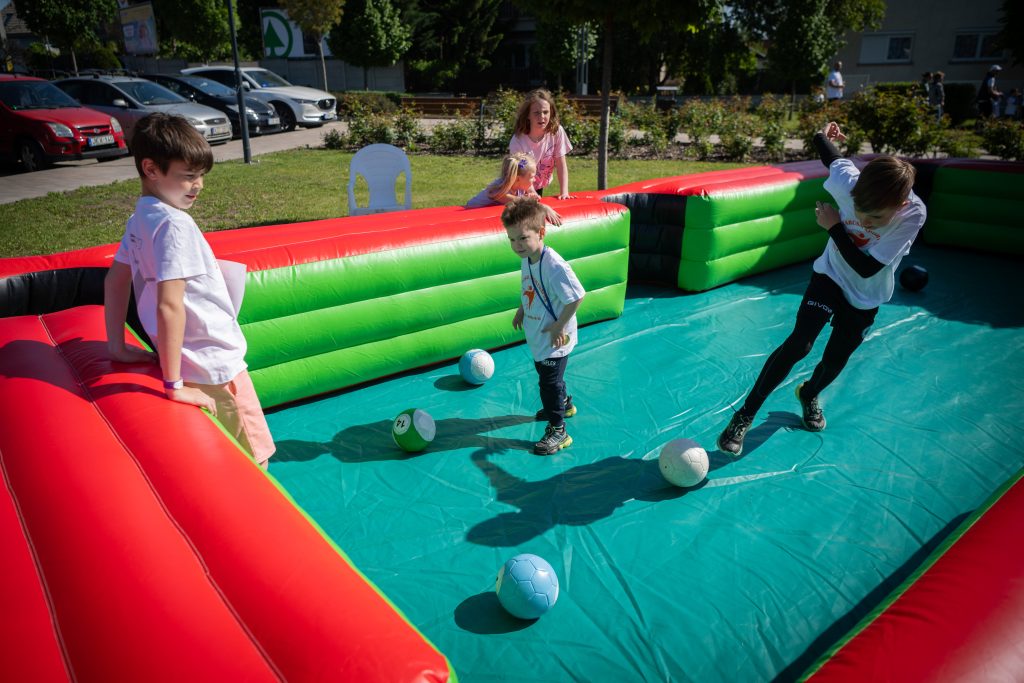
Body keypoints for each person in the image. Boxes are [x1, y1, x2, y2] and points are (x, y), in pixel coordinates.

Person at [717, 120, 926, 456]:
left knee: (835, 358)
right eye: (859, 211)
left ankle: (809, 393)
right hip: (830, 274)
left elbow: (868, 266)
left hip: (865, 292)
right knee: (800, 343)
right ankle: (745, 415)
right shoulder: (850, 181)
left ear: (900, 207)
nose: (865, 221)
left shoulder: (913, 215)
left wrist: (834, 228)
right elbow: (832, 158)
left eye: (875, 219)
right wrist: (821, 135)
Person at [104, 113, 275, 468]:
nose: (198, 186)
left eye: (200, 176)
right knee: (254, 460)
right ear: (151, 169)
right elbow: (170, 305)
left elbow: (115, 281)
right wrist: (173, 385)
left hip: (190, 359)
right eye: (188, 177)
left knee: (219, 457)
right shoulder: (173, 225)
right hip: (215, 365)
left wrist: (118, 346)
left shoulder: (140, 218)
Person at [502, 197, 585, 455]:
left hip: (556, 338)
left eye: (523, 238)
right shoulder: (528, 258)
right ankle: (563, 403)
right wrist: (521, 310)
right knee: (547, 377)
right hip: (539, 334)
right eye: (512, 239)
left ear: (541, 233)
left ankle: (558, 430)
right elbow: (530, 288)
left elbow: (577, 296)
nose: (517, 246)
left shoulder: (554, 265)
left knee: (547, 383)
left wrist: (560, 327)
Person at [508, 88, 573, 199]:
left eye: (545, 112)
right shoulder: (518, 140)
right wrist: (533, 194)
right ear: (528, 115)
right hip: (518, 187)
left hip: (537, 185)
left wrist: (564, 193)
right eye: (536, 113)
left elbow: (561, 163)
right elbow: (521, 172)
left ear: (551, 112)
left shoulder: (556, 132)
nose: (542, 117)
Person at [466, 152, 562, 225]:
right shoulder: (501, 190)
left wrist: (531, 196)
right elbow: (519, 202)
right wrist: (544, 208)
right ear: (518, 179)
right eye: (532, 177)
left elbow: (524, 197)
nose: (535, 179)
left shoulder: (518, 185)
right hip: (470, 214)